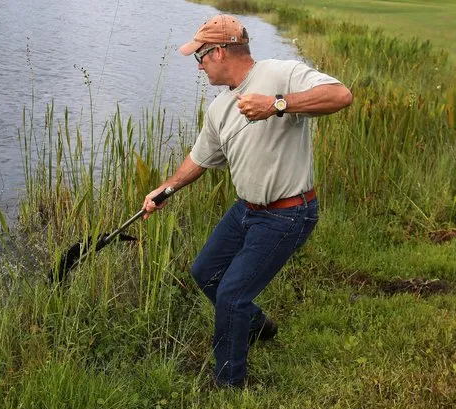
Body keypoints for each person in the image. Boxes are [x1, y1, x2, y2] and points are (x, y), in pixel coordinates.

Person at [142, 14, 353, 388]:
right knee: (204, 272)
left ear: (219, 52)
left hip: (289, 214)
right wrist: (166, 190)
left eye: (200, 58)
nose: (199, 66)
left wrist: (278, 104)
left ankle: (228, 385)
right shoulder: (219, 109)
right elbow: (199, 159)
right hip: (247, 210)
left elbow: (341, 95)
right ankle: (258, 326)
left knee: (232, 295)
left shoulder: (280, 73)